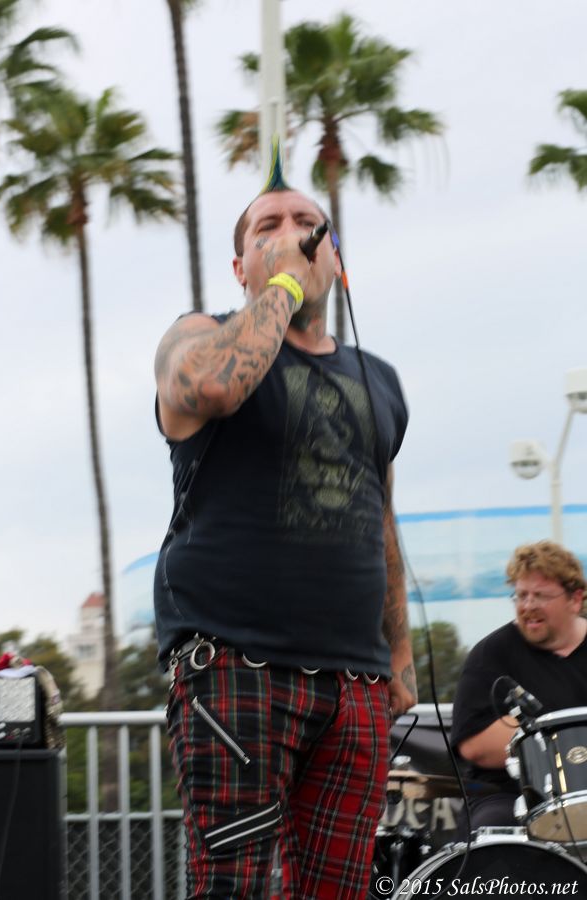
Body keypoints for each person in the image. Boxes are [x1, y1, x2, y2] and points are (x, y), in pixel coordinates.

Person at [152, 158, 416, 899]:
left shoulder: (378, 378)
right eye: (268, 226)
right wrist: (284, 289)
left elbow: (378, 512)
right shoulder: (199, 335)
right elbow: (213, 386)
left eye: (308, 225)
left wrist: (397, 652)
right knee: (232, 887)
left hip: (356, 679)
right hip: (237, 663)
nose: (293, 234)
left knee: (342, 888)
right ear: (241, 267)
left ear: (337, 260)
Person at [451, 540, 587, 833]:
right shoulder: (491, 654)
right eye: (521, 595)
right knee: (495, 832)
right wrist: (561, 742)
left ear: (575, 599)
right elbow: (474, 745)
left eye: (541, 596)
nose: (528, 606)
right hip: (509, 795)